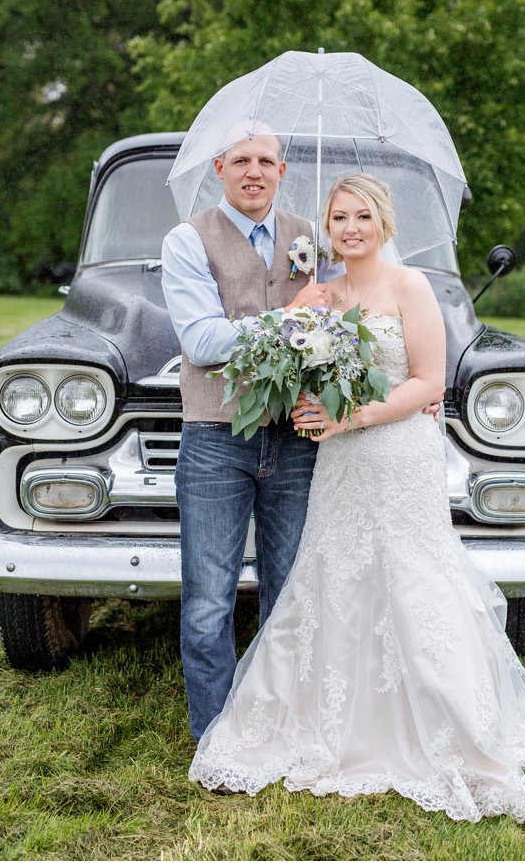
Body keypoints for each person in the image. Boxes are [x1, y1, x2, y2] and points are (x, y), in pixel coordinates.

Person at [188, 173, 525, 822]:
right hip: (338, 463)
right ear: (326, 229)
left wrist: (349, 418)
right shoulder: (321, 294)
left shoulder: (411, 287)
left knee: (411, 578)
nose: (351, 228)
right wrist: (303, 397)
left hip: (397, 457)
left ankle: (444, 720)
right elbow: (286, 353)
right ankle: (328, 716)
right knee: (336, 575)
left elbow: (428, 384)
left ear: (383, 223)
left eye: (362, 216)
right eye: (339, 218)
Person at [161, 131, 335, 742]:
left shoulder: (313, 237)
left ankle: (276, 726)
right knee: (209, 601)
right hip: (215, 437)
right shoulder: (188, 240)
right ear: (220, 168)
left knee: (290, 593)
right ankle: (213, 734)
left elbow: (347, 318)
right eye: (241, 161)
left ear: (282, 169)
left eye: (265, 161)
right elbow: (203, 342)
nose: (254, 172)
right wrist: (291, 320)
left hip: (295, 440)